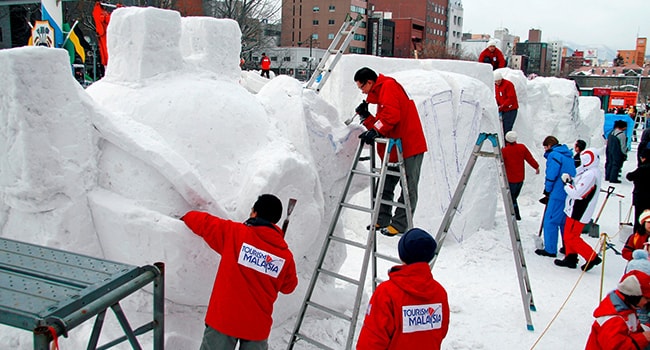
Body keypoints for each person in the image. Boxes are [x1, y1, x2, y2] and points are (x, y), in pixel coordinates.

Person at [180, 194, 298, 350]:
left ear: (255, 213)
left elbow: (204, 223)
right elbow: (289, 287)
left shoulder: (235, 234)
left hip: (224, 320)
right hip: (257, 327)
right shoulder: (285, 256)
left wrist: (185, 216)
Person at [353, 67, 428, 237]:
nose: (362, 91)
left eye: (362, 87)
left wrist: (375, 131)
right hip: (394, 148)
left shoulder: (388, 86)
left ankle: (401, 223)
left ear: (370, 82)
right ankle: (382, 218)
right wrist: (366, 117)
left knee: (408, 186)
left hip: (409, 146)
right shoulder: (381, 96)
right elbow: (383, 124)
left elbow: (391, 116)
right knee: (385, 184)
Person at [356, 228, 449, 349]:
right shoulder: (439, 292)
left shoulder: (387, 293)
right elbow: (441, 331)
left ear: (402, 255)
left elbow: (371, 341)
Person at [553, 148, 603, 271]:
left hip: (579, 210)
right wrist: (571, 180)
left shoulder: (590, 174)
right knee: (568, 234)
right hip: (577, 209)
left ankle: (591, 256)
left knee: (571, 236)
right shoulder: (591, 171)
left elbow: (577, 193)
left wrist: (567, 185)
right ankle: (570, 257)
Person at [585, 270, 650, 349]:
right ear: (634, 297)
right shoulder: (613, 320)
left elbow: (633, 329)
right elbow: (616, 347)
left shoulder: (628, 309)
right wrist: (642, 338)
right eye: (646, 298)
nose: (648, 301)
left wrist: (646, 330)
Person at [536, 136, 576, 258]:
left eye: (545, 147)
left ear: (549, 146)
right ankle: (567, 247)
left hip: (557, 192)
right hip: (568, 192)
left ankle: (550, 249)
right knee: (563, 221)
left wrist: (547, 190)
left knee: (551, 221)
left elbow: (551, 174)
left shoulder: (554, 156)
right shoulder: (568, 156)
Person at [501, 131, 540, 220]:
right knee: (514, 197)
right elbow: (529, 158)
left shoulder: (504, 151)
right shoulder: (522, 147)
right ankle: (514, 215)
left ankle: (515, 216)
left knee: (511, 198)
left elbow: (501, 161)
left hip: (510, 179)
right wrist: (536, 167)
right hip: (520, 178)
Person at [627, 149, 650, 234]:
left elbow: (629, 176)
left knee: (639, 218)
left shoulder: (642, 169)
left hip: (640, 198)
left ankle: (638, 237)